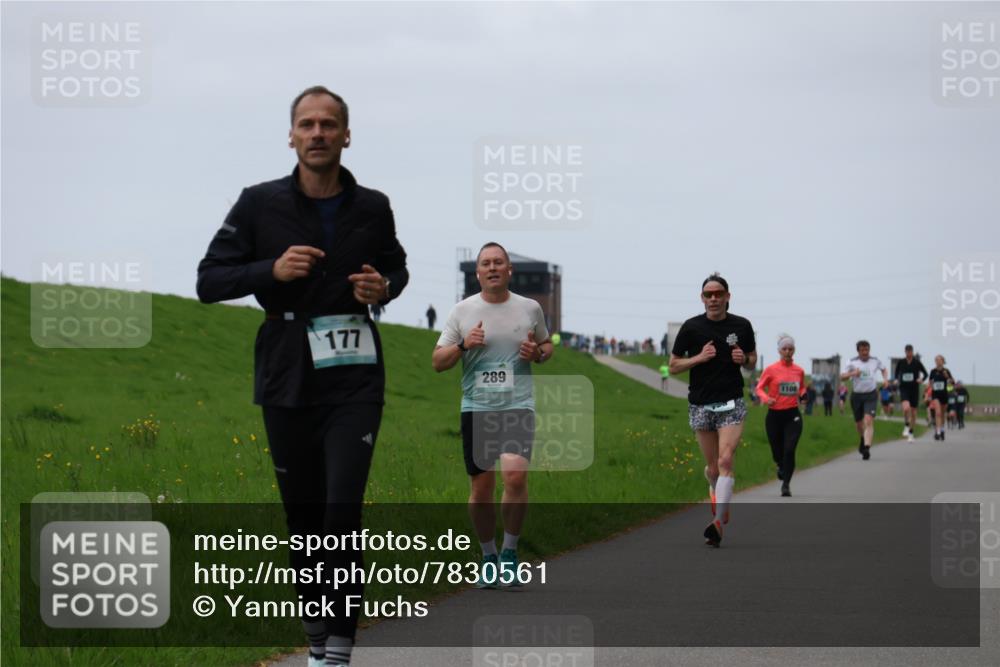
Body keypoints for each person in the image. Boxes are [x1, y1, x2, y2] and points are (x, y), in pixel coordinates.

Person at [197, 86, 408, 667]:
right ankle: (316, 638)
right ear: (290, 136)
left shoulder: (373, 205)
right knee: (304, 516)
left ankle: (336, 652)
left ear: (346, 135)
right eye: (306, 124)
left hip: (355, 374)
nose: (317, 133)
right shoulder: (258, 203)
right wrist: (271, 268)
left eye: (329, 124)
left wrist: (384, 288)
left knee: (342, 511)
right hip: (286, 367)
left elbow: (396, 265)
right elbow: (209, 280)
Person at [432, 242, 553, 588]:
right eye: (486, 263)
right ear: (478, 272)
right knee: (481, 488)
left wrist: (537, 353)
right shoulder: (462, 311)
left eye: (499, 262)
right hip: (478, 407)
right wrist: (463, 345)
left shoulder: (530, 308)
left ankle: (510, 553)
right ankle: (488, 556)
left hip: (518, 404)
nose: (492, 267)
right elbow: (437, 362)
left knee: (515, 477)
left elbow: (547, 346)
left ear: (509, 269)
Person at [669, 273, 756, 548]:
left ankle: (717, 523)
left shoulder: (742, 325)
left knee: (726, 460)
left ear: (728, 297)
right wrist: (699, 358)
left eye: (719, 293)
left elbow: (752, 359)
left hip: (731, 401)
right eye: (709, 294)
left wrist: (745, 360)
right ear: (702, 298)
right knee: (712, 469)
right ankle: (718, 494)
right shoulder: (691, 327)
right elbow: (673, 365)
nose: (714, 298)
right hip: (701, 404)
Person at [755, 335, 806, 497]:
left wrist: (804, 395)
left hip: (792, 415)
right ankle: (780, 465)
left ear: (794, 350)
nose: (787, 352)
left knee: (789, 449)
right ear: (779, 351)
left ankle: (786, 485)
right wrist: (766, 398)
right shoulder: (771, 369)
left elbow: (802, 388)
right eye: (784, 349)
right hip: (774, 416)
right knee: (777, 450)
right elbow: (759, 388)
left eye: (790, 349)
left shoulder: (799, 370)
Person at [841, 340, 888, 460]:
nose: (865, 352)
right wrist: (853, 373)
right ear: (858, 351)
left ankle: (867, 448)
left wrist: (885, 379)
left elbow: (884, 369)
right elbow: (842, 376)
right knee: (859, 424)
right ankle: (862, 439)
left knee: (868, 420)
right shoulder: (852, 361)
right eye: (862, 350)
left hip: (871, 395)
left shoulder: (875, 360)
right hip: (857, 396)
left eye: (866, 350)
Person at [894, 344, 927, 442]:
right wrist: (896, 379)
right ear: (905, 352)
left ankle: (911, 433)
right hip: (904, 388)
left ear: (912, 352)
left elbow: (925, 373)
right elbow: (896, 372)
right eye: (907, 351)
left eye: (910, 351)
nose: (908, 353)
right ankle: (906, 425)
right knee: (906, 408)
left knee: (913, 412)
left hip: (914, 388)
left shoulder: (917, 362)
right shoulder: (901, 362)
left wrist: (921, 379)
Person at [927, 355, 955, 441]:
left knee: (942, 414)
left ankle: (942, 430)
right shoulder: (933, 371)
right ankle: (938, 432)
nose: (938, 362)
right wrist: (929, 391)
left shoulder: (946, 371)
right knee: (938, 413)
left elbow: (953, 382)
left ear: (943, 361)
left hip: (944, 394)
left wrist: (947, 377)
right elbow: (930, 383)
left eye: (940, 360)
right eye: (936, 360)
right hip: (935, 394)